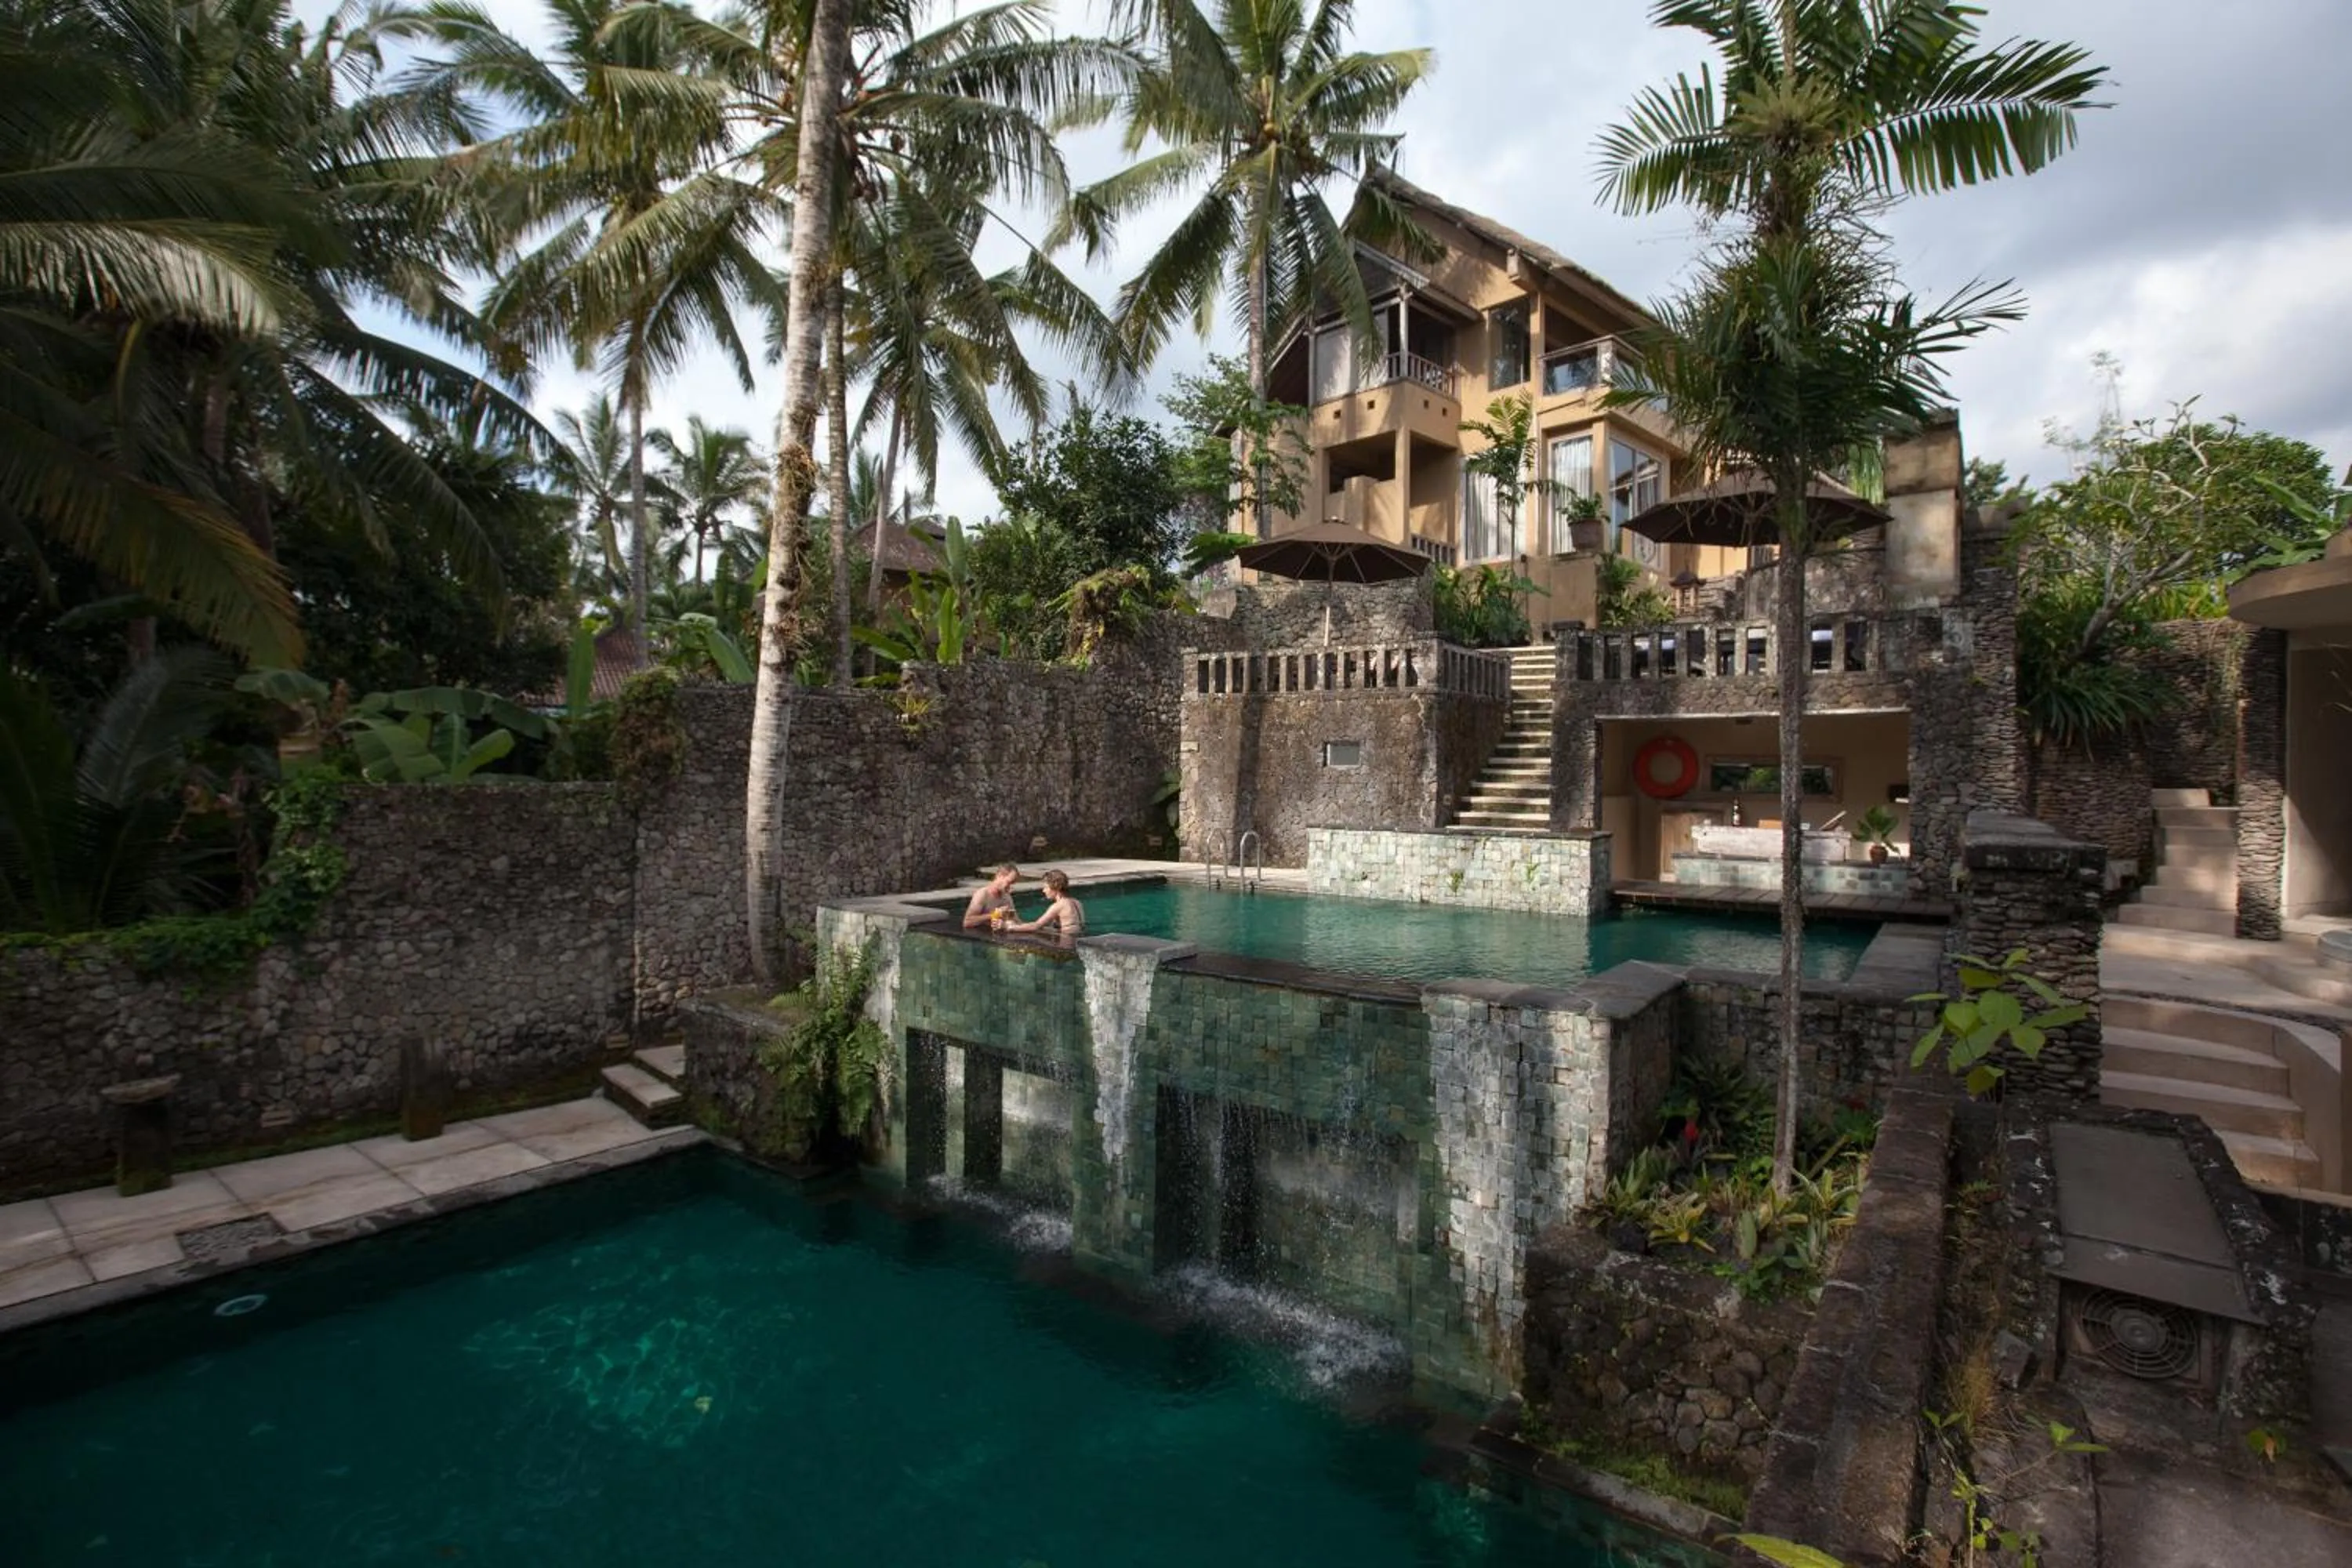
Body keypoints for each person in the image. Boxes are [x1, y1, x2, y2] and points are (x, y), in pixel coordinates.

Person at [1008, 869, 1084, 937]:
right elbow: (1072, 928)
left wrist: (1010, 927)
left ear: (1055, 887)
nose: (1043, 891)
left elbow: (1036, 926)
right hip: (1079, 939)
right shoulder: (1077, 902)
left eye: (1046, 887)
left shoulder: (1058, 906)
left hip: (1067, 943)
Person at [963, 864, 1020, 929]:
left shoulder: (1006, 897)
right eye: (1009, 883)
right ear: (999, 876)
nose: (1010, 888)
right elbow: (967, 922)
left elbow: (1017, 921)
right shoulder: (983, 894)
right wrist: (994, 915)